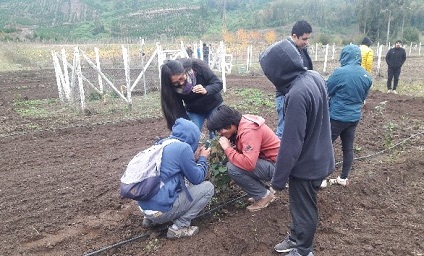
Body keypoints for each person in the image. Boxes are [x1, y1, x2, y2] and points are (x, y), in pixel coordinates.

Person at [260, 39, 335, 256]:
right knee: (300, 206)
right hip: (320, 157)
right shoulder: (313, 76)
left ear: (277, 71)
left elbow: (291, 146)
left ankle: (303, 250)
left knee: (305, 210)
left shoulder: (296, 95)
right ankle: (295, 237)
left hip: (307, 166)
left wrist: (277, 183)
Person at [138, 118, 214, 239]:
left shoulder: (162, 144)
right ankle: (180, 227)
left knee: (172, 181)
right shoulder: (183, 149)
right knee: (208, 188)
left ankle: (149, 220)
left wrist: (192, 158)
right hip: (160, 211)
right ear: (192, 137)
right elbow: (198, 178)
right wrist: (203, 158)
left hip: (144, 207)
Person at [206, 105, 280, 212]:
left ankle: (264, 196)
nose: (219, 133)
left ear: (230, 125)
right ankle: (262, 192)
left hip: (278, 168)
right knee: (234, 162)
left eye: (219, 130)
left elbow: (249, 163)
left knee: (232, 167)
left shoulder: (249, 131)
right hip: (272, 163)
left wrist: (227, 148)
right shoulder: (240, 123)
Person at [326, 44, 373, 187]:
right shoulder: (366, 76)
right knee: (348, 148)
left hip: (337, 116)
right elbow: (363, 97)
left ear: (345, 56)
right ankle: (343, 178)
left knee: (325, 146)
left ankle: (321, 178)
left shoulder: (339, 72)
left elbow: (328, 90)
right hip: (354, 118)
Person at [160, 58, 223, 138]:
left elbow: (218, 83)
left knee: (215, 136)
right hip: (194, 111)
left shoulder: (198, 67)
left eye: (181, 78)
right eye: (176, 83)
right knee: (191, 135)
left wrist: (206, 90)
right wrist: (186, 123)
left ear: (184, 70)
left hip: (214, 105)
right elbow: (178, 109)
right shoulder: (171, 88)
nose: (181, 83)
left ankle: (214, 149)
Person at [274, 20, 314, 140]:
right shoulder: (284, 52)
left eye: (308, 39)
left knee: (298, 129)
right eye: (304, 39)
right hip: (286, 97)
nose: (306, 42)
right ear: (294, 36)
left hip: (299, 95)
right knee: (283, 130)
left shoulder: (300, 49)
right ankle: (278, 157)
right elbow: (279, 77)